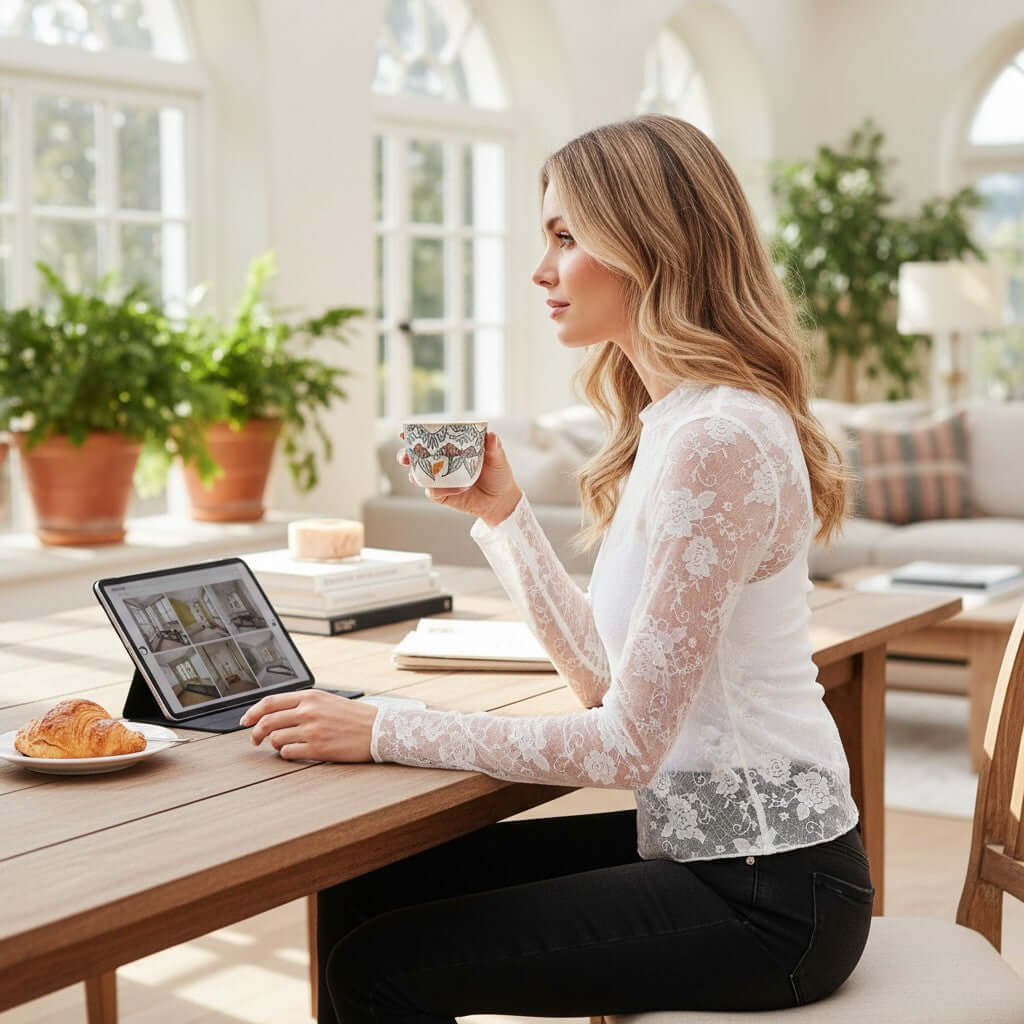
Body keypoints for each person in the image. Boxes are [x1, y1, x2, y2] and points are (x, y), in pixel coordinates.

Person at [240, 114, 874, 1022]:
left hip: (773, 897)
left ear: (650, 244)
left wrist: (381, 727)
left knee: (377, 965)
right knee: (365, 888)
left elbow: (625, 747)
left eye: (566, 236)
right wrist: (503, 516)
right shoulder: (676, 425)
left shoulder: (719, 439)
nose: (542, 270)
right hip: (711, 852)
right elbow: (607, 686)